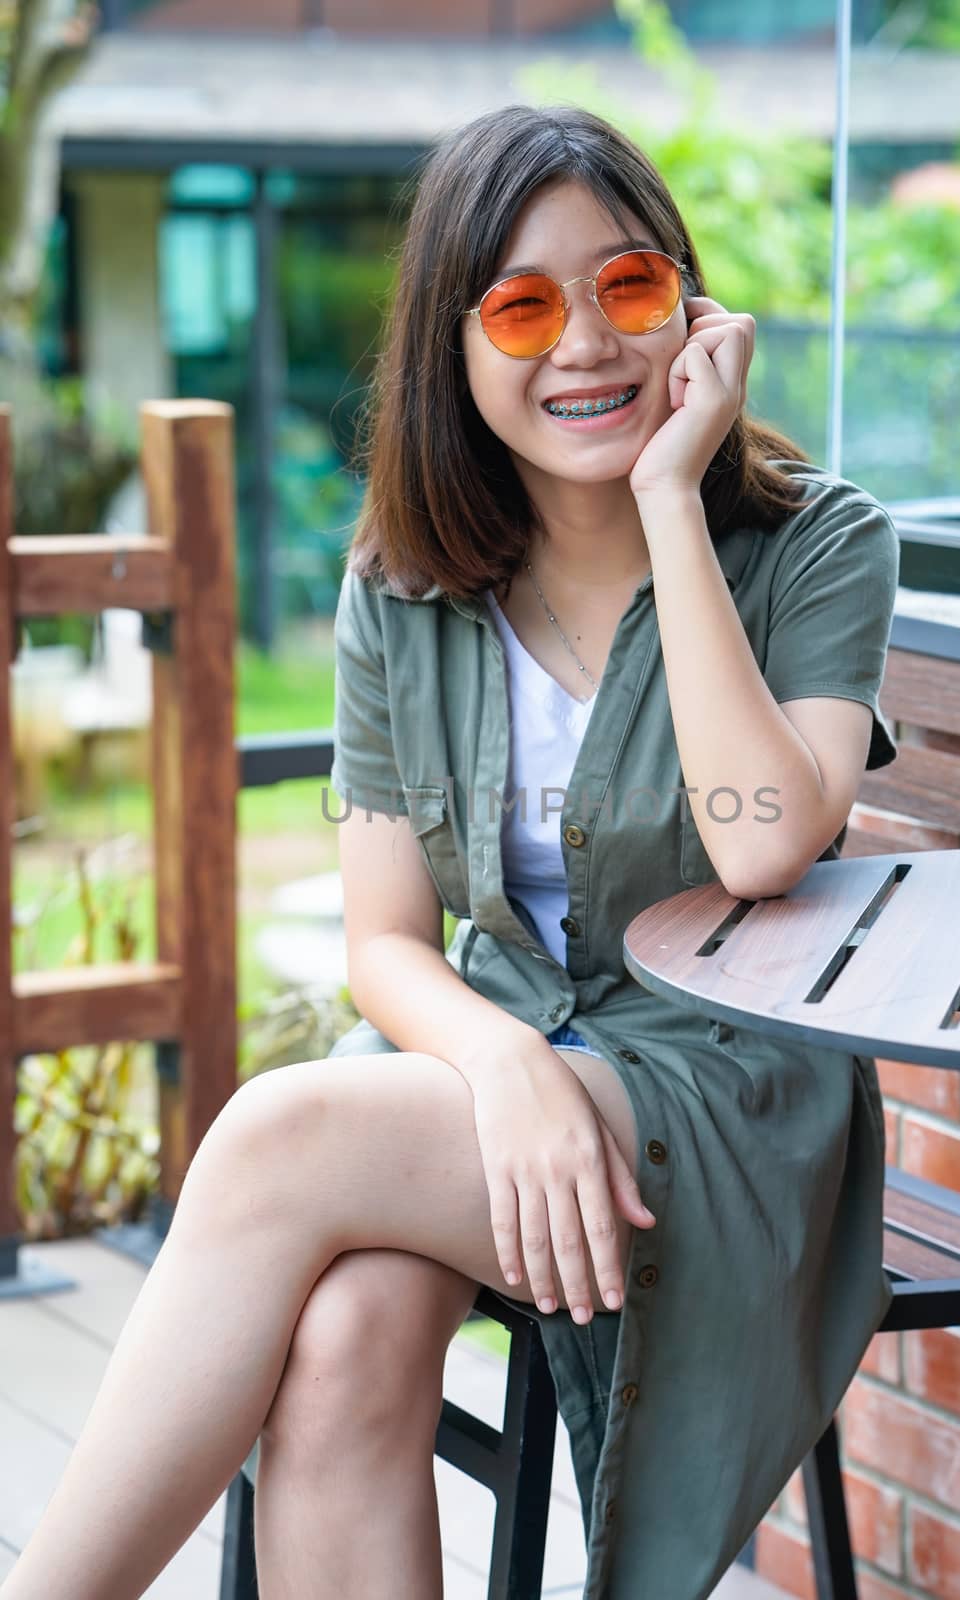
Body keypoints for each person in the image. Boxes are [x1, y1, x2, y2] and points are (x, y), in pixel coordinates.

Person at [2, 102, 898, 1600]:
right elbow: (386, 944)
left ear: (691, 305)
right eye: (525, 306)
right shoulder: (403, 587)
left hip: (731, 1084)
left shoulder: (816, 543)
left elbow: (759, 847)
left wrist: (672, 495)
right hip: (494, 1064)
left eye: (627, 288)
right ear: (454, 347)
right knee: (349, 1332)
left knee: (279, 1135)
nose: (587, 347)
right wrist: (506, 1069)